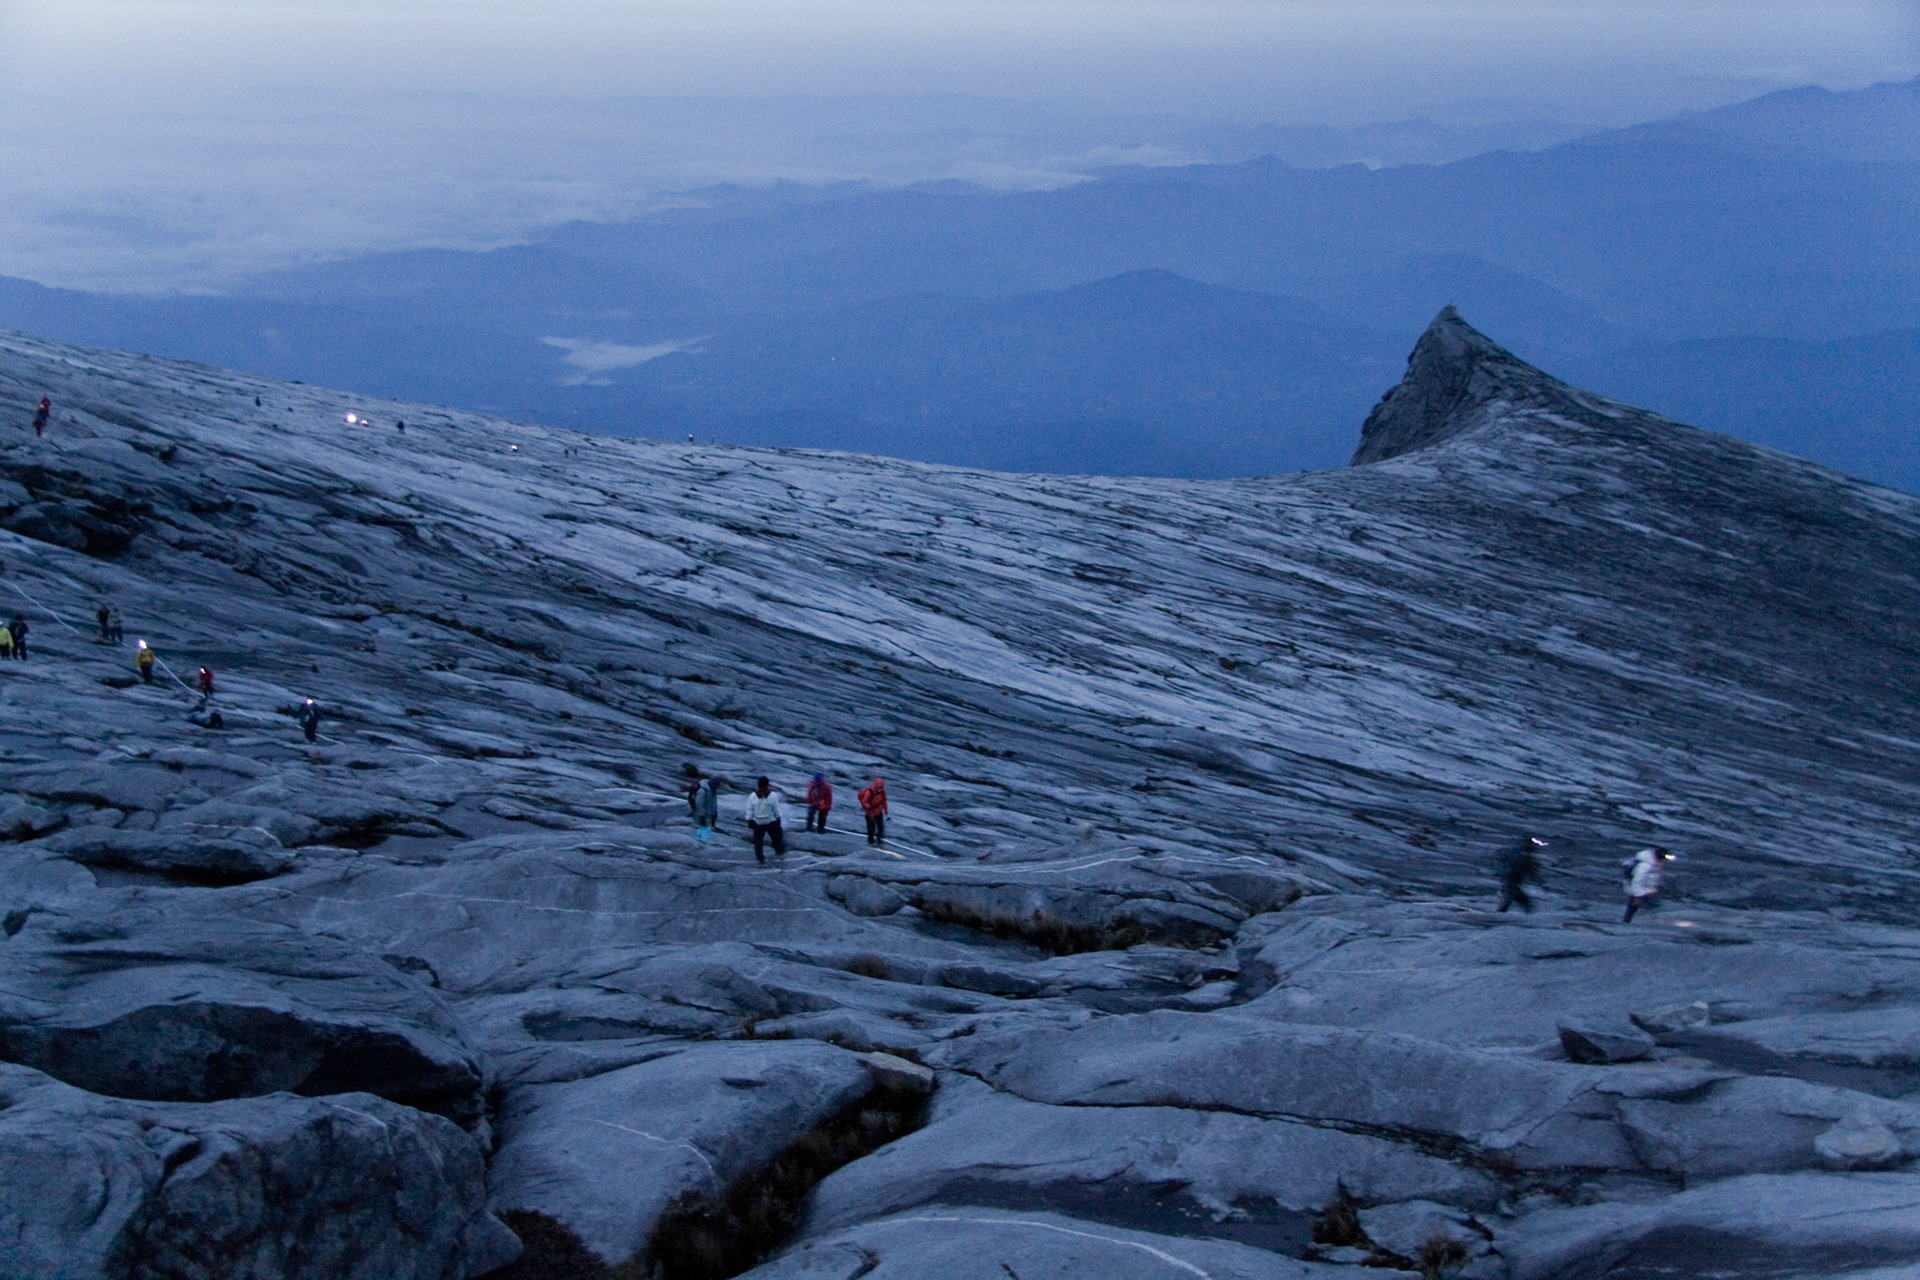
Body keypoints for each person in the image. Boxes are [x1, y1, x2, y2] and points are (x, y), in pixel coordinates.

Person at [1622, 847, 1675, 922]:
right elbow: (1637, 880)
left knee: (1636, 907)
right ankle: (1628, 922)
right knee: (1635, 906)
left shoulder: (1651, 864)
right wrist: (1638, 895)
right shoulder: (1645, 866)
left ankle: (1628, 920)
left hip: (1645, 890)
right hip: (1639, 890)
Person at [1496, 836, 1547, 913]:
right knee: (1522, 902)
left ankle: (1498, 916)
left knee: (1511, 901)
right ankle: (1497, 917)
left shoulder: (1520, 856)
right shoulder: (1526, 859)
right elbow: (1532, 873)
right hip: (1511, 884)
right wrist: (1539, 882)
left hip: (1509, 883)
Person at [747, 775, 787, 862]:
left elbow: (750, 810)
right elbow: (776, 809)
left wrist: (749, 820)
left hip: (758, 822)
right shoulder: (772, 795)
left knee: (758, 842)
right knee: (777, 838)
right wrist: (778, 818)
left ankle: (760, 858)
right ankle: (779, 852)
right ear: (767, 784)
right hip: (771, 822)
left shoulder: (753, 795)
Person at [857, 776, 888, 846]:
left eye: (882, 787)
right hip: (870, 812)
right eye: (880, 787)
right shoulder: (869, 792)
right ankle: (870, 841)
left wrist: (885, 809)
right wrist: (870, 808)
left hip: (878, 811)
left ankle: (879, 840)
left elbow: (884, 800)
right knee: (871, 828)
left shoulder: (882, 792)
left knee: (880, 827)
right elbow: (865, 801)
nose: (881, 788)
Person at [690, 775, 719, 842]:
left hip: (708, 816)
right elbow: (699, 805)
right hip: (700, 816)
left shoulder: (712, 792)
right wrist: (701, 815)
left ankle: (703, 846)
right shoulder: (703, 791)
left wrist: (714, 814)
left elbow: (713, 804)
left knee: (705, 837)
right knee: (699, 835)